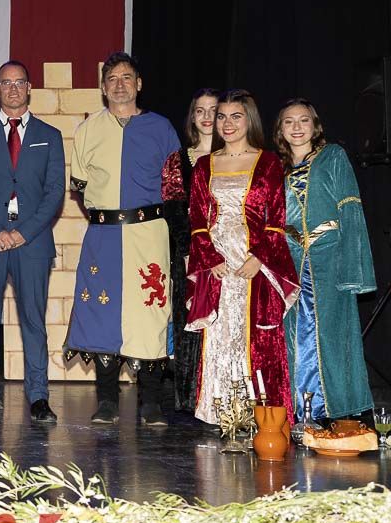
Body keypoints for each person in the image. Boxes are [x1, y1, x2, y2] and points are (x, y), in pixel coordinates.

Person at [66, 52, 181, 426]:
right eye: (112, 78)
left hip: (149, 234)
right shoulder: (88, 130)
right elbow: (81, 189)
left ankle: (151, 400)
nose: (119, 84)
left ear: (139, 84)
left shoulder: (162, 128)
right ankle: (107, 401)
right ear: (103, 87)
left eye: (126, 77)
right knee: (101, 312)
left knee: (150, 312)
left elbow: (176, 188)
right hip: (103, 235)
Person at [186, 89, 298, 424]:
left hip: (252, 262)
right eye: (221, 116)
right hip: (218, 262)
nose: (227, 123)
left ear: (249, 119)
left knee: (256, 337)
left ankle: (258, 417)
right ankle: (220, 413)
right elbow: (196, 219)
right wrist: (210, 259)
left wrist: (259, 258)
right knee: (220, 334)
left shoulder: (268, 162)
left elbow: (276, 219)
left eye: (236, 116)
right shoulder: (205, 165)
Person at [0, 61, 65, 422]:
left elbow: (55, 192)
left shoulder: (49, 134)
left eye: (18, 82)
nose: (12, 89)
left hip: (32, 243)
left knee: (33, 321)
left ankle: (39, 397)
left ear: (29, 87)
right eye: (5, 83)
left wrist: (23, 232)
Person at [276, 98, 375, 421]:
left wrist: (353, 266)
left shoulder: (333, 156)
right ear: (280, 129)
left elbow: (350, 208)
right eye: (289, 122)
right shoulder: (276, 168)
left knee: (332, 335)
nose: (296, 128)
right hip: (291, 260)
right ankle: (302, 412)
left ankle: (340, 410)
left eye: (303, 120)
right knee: (294, 336)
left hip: (328, 258)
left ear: (314, 125)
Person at [160, 88, 219, 412]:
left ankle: (225, 397)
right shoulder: (178, 161)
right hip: (190, 257)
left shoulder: (236, 158)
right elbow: (174, 210)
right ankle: (190, 397)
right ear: (192, 117)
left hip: (230, 255)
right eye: (201, 110)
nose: (207, 117)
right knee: (190, 324)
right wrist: (187, 253)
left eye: (214, 110)